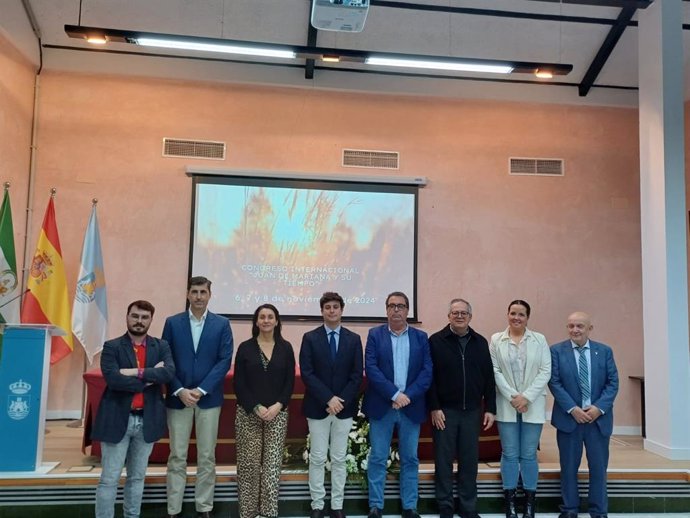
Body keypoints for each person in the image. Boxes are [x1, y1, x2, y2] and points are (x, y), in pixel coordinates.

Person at [93, 300, 175, 518]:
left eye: (144, 317)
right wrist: (150, 376)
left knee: (137, 478)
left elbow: (168, 373)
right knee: (109, 479)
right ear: (127, 316)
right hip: (118, 418)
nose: (139, 321)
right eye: (135, 316)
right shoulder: (112, 346)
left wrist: (131, 372)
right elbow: (113, 380)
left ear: (150, 320)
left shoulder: (161, 346)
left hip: (146, 421)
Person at [164, 276, 234, 518]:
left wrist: (201, 390)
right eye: (194, 292)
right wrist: (180, 390)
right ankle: (174, 508)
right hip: (178, 398)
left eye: (203, 292)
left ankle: (204, 506)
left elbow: (224, 360)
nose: (198, 296)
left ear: (209, 295)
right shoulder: (172, 323)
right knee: (177, 456)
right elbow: (167, 359)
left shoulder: (222, 324)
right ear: (187, 294)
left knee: (206, 456)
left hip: (208, 399)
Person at [363, 291, 433, 518]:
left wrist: (406, 396)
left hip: (410, 407)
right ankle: (375, 506)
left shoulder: (421, 338)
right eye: (391, 306)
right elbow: (371, 369)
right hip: (382, 406)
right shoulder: (374, 335)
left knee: (410, 458)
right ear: (386, 309)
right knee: (378, 457)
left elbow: (426, 371)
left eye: (400, 306)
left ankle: (409, 506)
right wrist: (394, 394)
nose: (396, 310)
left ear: (407, 310)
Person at [427, 298, 496, 518]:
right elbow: (430, 379)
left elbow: (488, 378)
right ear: (448, 316)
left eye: (463, 313)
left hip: (472, 412)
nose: (459, 316)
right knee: (444, 461)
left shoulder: (480, 342)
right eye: (455, 313)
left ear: (470, 317)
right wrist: (435, 407)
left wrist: (490, 408)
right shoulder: (436, 341)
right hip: (445, 412)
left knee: (469, 462)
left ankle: (468, 506)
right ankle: (445, 505)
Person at [549, 312, 619, 518]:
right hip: (569, 419)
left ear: (590, 329)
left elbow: (612, 382)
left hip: (598, 421)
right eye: (570, 326)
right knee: (568, 467)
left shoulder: (604, 351)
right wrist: (573, 409)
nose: (574, 330)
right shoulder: (556, 351)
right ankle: (570, 509)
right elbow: (554, 382)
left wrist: (598, 408)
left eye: (580, 326)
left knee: (598, 468)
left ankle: (598, 511)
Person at [300, 292, 364, 518]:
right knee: (317, 457)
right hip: (318, 407)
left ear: (342, 310)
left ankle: (337, 505)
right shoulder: (310, 337)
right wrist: (328, 399)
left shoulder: (353, 339)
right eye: (327, 307)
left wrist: (339, 401)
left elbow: (356, 376)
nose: (332, 310)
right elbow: (307, 373)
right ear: (322, 311)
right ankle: (317, 505)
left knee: (338, 458)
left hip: (344, 409)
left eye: (335, 307)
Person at [490, 300, 551, 518]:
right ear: (507, 314)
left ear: (528, 317)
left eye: (521, 314)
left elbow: (545, 371)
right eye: (513, 313)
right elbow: (495, 371)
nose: (516, 317)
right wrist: (513, 396)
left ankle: (529, 504)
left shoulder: (539, 339)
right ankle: (510, 504)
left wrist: (526, 397)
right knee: (509, 454)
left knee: (528, 455)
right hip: (506, 404)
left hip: (532, 405)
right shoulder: (496, 339)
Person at [234, 303, 296, 518]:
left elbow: (289, 383)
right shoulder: (245, 347)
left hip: (277, 415)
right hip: (248, 414)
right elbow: (239, 384)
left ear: (277, 321)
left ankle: (269, 513)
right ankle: (248, 513)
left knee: (271, 470)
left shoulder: (286, 348)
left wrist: (278, 405)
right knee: (248, 468)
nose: (266, 320)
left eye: (270, 317)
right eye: (262, 317)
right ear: (256, 321)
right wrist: (256, 407)